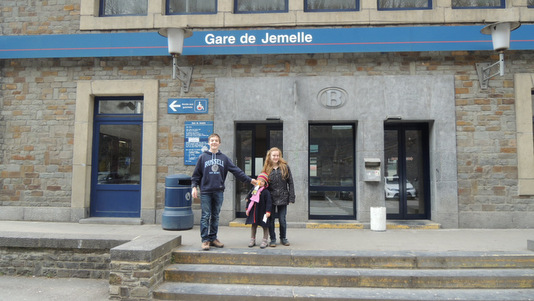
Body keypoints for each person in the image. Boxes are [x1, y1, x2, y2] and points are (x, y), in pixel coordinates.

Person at [191, 133, 257, 251]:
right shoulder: (202, 157)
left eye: (216, 140)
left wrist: (250, 180)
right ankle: (205, 240)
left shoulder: (224, 158)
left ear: (219, 143)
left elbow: (236, 171)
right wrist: (194, 187)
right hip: (206, 191)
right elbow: (196, 175)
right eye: (212, 140)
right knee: (206, 216)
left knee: (215, 216)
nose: (214, 142)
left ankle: (213, 238)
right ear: (209, 142)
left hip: (218, 191)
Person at [262, 147, 295, 247]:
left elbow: (291, 182)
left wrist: (291, 196)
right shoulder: (266, 168)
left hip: (283, 197)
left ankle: (283, 238)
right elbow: (262, 183)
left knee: (282, 219)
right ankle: (273, 239)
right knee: (271, 219)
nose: (276, 157)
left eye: (277, 155)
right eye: (274, 155)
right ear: (270, 156)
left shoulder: (285, 167)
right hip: (270, 198)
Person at [245, 172, 272, 249]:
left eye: (262, 181)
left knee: (265, 225)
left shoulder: (266, 192)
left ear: (265, 183)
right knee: (254, 224)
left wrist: (268, 211)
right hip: (254, 211)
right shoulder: (254, 190)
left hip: (263, 212)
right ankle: (252, 239)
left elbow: (269, 203)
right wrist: (247, 209)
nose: (260, 182)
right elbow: (249, 199)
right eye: (259, 180)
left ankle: (265, 240)